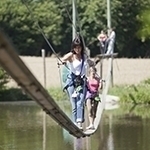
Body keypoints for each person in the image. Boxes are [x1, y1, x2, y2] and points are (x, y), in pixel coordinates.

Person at [61, 34, 88, 130]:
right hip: (72, 81)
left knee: (80, 101)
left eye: (79, 47)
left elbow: (89, 62)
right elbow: (62, 59)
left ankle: (79, 122)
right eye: (76, 47)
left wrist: (93, 63)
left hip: (81, 81)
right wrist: (62, 62)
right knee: (74, 102)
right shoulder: (71, 55)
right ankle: (75, 121)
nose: (78, 49)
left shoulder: (84, 56)